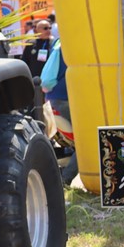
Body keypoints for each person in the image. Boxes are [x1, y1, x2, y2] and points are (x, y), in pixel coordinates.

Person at [40, 40, 78, 185]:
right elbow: (47, 80)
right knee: (85, 143)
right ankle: (64, 180)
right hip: (65, 99)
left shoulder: (59, 42)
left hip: (55, 99)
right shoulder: (66, 44)